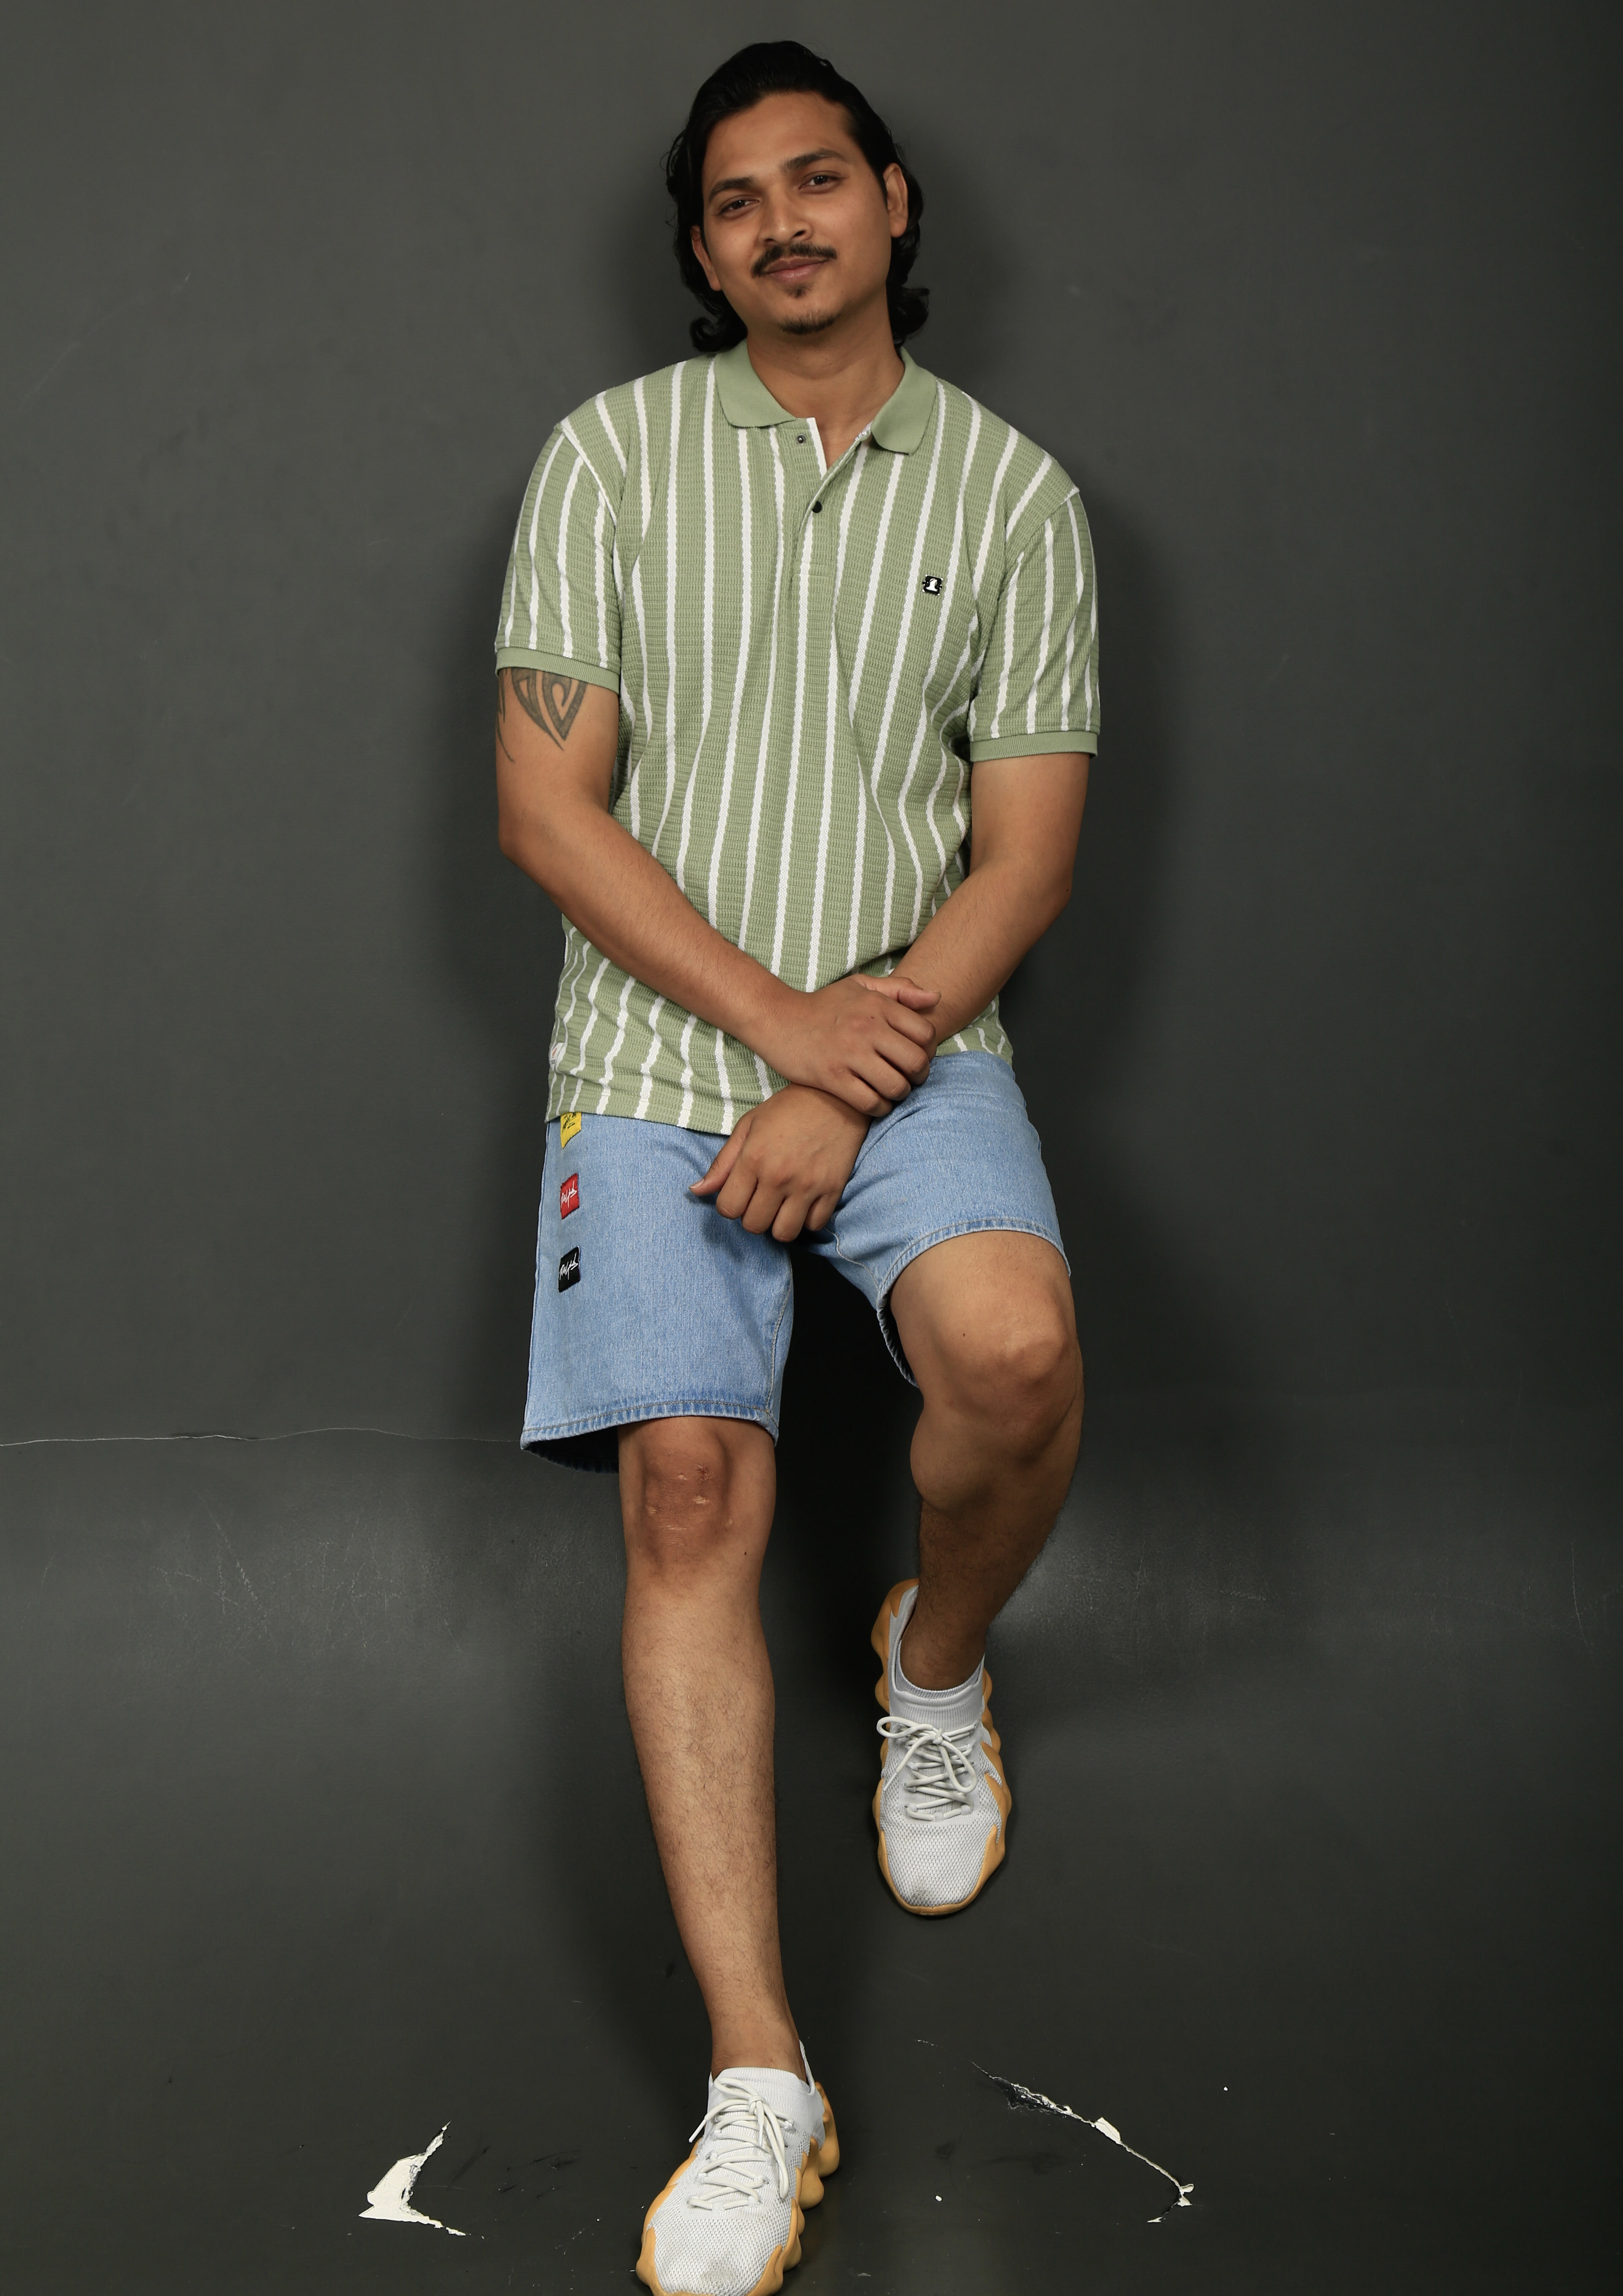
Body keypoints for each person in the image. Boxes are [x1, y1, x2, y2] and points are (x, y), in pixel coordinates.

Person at [493, 41, 1098, 2296]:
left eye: (816, 179)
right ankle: (763, 2078)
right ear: (704, 247)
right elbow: (544, 811)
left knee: (1014, 1360)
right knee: (687, 1490)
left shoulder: (1018, 496)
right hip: (660, 1058)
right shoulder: (608, 459)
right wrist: (777, 1036)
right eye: (735, 201)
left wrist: (852, 1071)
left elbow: (1025, 858)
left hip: (911, 1044)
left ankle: (930, 1668)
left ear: (894, 201)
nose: (781, 224)